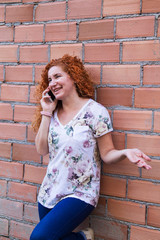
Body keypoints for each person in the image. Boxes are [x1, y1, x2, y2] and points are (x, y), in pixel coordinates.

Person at [30, 54, 151, 240]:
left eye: (58, 76)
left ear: (74, 76)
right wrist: (46, 112)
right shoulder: (51, 113)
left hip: (81, 192)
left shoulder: (95, 112)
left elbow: (107, 153)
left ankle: (83, 238)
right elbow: (41, 150)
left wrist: (126, 152)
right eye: (49, 79)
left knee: (39, 238)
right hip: (50, 190)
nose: (52, 83)